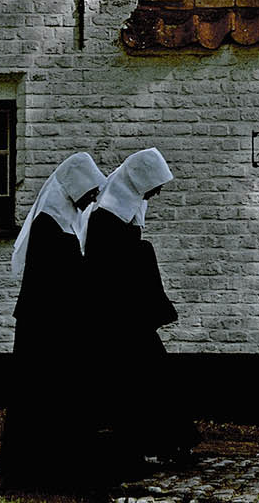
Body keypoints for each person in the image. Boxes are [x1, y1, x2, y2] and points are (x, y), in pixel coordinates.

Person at [83, 148, 200, 476]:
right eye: (154, 185)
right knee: (140, 381)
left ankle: (163, 444)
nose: (156, 193)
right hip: (118, 316)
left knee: (150, 379)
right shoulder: (106, 215)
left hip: (131, 314)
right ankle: (149, 446)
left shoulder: (126, 207)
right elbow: (106, 267)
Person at [0, 151, 108, 493]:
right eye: (90, 191)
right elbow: (52, 279)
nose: (92, 199)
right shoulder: (48, 222)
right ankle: (36, 467)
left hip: (59, 322)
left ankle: (60, 463)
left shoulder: (66, 217)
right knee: (41, 395)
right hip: (44, 325)